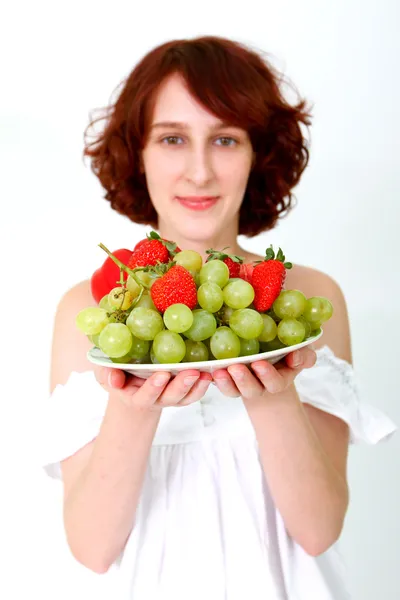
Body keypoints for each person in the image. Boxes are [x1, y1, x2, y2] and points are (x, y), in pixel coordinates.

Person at [39, 36, 397, 599]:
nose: (200, 171)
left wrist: (273, 396)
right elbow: (91, 547)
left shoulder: (306, 297)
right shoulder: (88, 310)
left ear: (259, 155)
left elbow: (319, 530)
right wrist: (133, 411)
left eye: (226, 139)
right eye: (173, 138)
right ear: (139, 153)